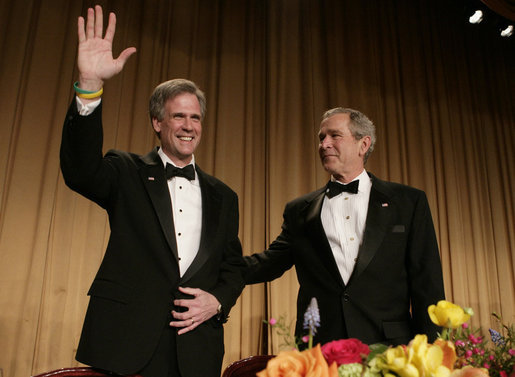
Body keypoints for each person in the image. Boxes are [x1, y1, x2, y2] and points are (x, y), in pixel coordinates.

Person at [60, 6, 245, 377]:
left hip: (194, 349)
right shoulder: (127, 171)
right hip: (127, 343)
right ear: (157, 122)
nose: (188, 125)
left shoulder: (223, 196)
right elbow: (80, 171)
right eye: (178, 116)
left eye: (195, 117)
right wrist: (89, 85)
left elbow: (233, 266)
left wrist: (218, 300)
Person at [245, 107, 445, 347]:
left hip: (392, 347)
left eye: (334, 135)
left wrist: (435, 349)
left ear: (363, 144)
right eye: (321, 138)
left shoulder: (408, 202)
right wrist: (218, 268)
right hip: (323, 348)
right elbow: (269, 263)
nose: (324, 144)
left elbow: (427, 281)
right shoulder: (300, 210)